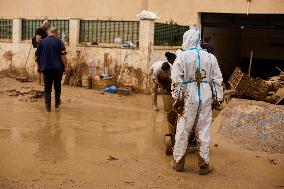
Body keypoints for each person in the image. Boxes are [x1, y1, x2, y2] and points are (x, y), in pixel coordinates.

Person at [170, 27, 223, 174]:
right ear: (199, 41)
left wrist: (177, 98)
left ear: (187, 40)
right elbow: (217, 80)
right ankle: (204, 165)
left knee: (183, 130)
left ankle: (178, 163)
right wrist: (217, 98)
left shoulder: (182, 56)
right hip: (205, 96)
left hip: (188, 96)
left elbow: (176, 80)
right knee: (204, 130)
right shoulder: (211, 57)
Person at [35, 27, 67, 112]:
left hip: (46, 68)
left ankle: (48, 108)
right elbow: (63, 56)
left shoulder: (42, 42)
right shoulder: (59, 42)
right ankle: (57, 104)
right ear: (56, 33)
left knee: (47, 88)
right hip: (58, 69)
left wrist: (39, 66)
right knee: (57, 86)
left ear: (49, 32)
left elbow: (37, 55)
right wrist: (66, 67)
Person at [32, 20, 51, 85]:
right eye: (48, 25)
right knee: (40, 65)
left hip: (45, 50)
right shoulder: (39, 30)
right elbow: (38, 40)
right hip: (41, 51)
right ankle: (40, 81)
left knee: (44, 66)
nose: (49, 27)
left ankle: (43, 81)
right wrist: (48, 40)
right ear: (45, 24)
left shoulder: (45, 30)